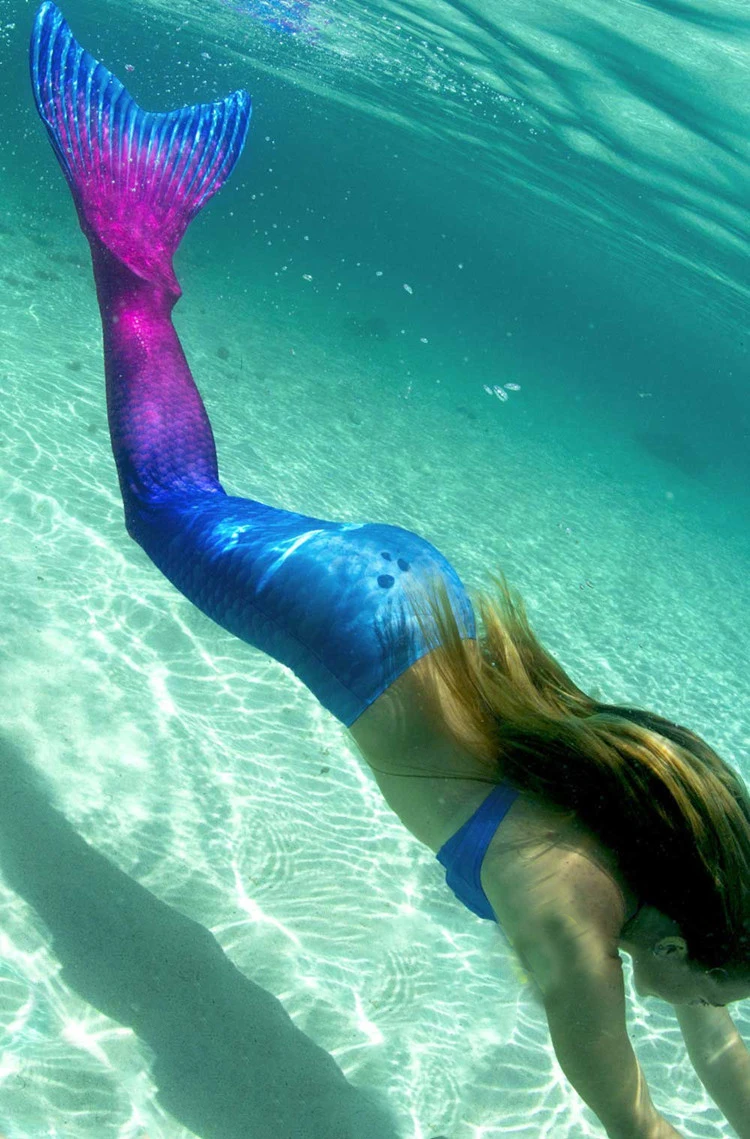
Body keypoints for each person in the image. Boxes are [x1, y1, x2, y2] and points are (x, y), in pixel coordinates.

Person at [30, 5, 750, 1137]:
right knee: (168, 503)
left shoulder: (676, 885)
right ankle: (132, 233)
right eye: (717, 988)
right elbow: (631, 1116)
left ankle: (144, 227)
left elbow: (717, 1045)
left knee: (195, 499)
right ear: (682, 940)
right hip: (362, 626)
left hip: (416, 596)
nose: (714, 1012)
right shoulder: (570, 904)